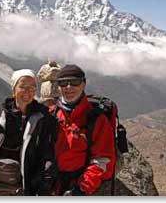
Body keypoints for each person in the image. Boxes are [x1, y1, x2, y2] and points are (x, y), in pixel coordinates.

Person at [0, 69, 56, 196]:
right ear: (14, 90)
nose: (28, 91)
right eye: (23, 87)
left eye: (32, 87)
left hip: (27, 185)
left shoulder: (43, 117)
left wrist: (43, 183)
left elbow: (47, 152)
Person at [50, 64, 116, 196]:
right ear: (58, 87)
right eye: (63, 83)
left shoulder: (96, 118)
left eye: (75, 82)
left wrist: (81, 189)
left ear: (83, 84)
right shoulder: (51, 114)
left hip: (80, 186)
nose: (69, 87)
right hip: (52, 185)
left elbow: (103, 160)